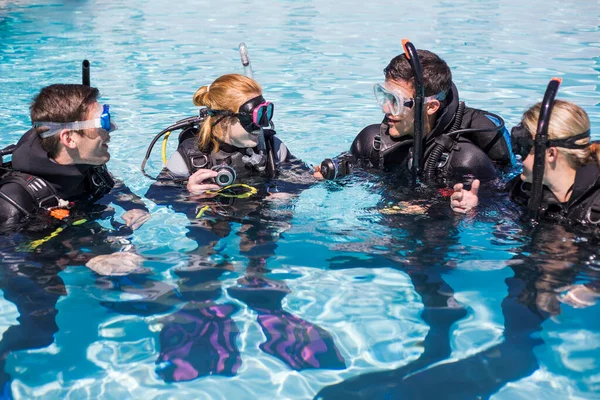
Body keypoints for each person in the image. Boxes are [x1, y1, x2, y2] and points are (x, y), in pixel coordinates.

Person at [316, 49, 514, 182]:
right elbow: (352, 170)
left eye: (397, 101)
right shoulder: (371, 141)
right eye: (385, 96)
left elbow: (501, 212)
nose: (386, 109)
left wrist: (458, 207)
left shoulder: (465, 161)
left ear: (431, 107)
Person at [0, 84, 150, 231]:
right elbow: (12, 253)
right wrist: (89, 256)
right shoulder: (15, 202)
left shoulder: (87, 164)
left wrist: (134, 206)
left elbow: (112, 185)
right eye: (103, 123)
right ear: (69, 139)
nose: (112, 128)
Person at [451, 99, 600, 227]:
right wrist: (472, 207)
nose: (518, 155)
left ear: (551, 154)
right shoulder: (521, 188)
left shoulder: (595, 203)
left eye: (525, 148)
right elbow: (498, 209)